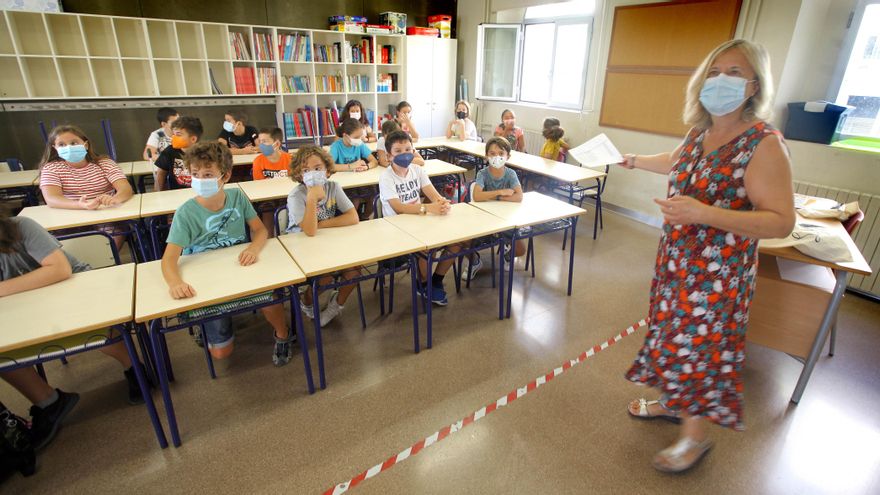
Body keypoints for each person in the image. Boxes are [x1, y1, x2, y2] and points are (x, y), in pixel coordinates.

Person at [621, 39, 795, 473]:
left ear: (754, 85)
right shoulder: (701, 132)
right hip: (678, 263)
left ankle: (694, 440)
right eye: (715, 70)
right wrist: (635, 160)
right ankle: (674, 402)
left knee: (700, 347)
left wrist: (704, 212)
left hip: (718, 276)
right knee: (671, 334)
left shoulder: (764, 142)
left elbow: (780, 221)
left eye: (735, 72)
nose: (722, 80)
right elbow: (676, 162)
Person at [0, 213, 150, 450]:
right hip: (21, 306)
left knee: (95, 322)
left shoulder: (20, 226)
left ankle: (134, 367)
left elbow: (60, 269)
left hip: (77, 286)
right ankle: (49, 402)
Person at [161, 142, 294, 366]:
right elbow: (169, 258)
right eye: (195, 174)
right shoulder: (186, 213)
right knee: (221, 354)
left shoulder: (237, 198)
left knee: (270, 297)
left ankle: (283, 335)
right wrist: (174, 283)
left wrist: (253, 248)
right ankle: (211, 323)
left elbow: (260, 230)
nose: (201, 180)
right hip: (207, 275)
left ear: (225, 176)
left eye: (208, 174)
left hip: (240, 266)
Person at [379, 131, 461, 305]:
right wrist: (429, 208)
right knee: (425, 248)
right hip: (396, 228)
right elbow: (399, 208)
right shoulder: (386, 177)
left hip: (420, 220)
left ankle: (436, 280)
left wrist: (442, 202)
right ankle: (423, 284)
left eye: (408, 149)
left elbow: (433, 194)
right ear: (388, 155)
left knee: (457, 242)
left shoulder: (417, 169)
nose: (404, 154)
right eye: (398, 151)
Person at [286, 145, 361, 325]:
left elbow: (353, 217)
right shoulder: (297, 196)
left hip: (328, 242)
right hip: (302, 247)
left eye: (317, 168)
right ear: (299, 175)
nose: (312, 173)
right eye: (306, 170)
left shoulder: (333, 187)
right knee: (325, 277)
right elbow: (309, 232)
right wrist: (312, 197)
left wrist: (322, 224)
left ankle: (335, 306)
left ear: (327, 170)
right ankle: (307, 300)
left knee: (354, 271)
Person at [38, 125, 135, 250]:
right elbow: (51, 198)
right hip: (70, 217)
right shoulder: (51, 168)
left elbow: (125, 189)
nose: (68, 147)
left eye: (73, 142)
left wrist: (115, 199)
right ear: (55, 149)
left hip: (106, 214)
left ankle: (107, 264)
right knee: (71, 248)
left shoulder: (104, 163)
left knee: (110, 243)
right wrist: (81, 205)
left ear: (85, 145)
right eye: (61, 145)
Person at [462, 137, 528, 280]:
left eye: (500, 153)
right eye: (492, 153)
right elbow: (477, 195)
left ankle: (506, 254)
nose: (496, 157)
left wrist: (495, 198)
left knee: (520, 250)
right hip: (484, 219)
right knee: (464, 241)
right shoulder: (483, 174)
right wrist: (500, 192)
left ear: (507, 156)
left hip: (506, 220)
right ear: (486, 156)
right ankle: (475, 262)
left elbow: (519, 197)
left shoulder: (510, 174)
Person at [329, 118, 379, 218]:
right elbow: (330, 166)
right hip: (344, 183)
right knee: (354, 201)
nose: (359, 140)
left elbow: (374, 161)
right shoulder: (336, 146)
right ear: (345, 135)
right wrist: (351, 166)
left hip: (359, 179)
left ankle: (364, 218)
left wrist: (367, 167)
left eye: (360, 136)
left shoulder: (360, 144)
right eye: (356, 137)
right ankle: (352, 219)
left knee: (374, 196)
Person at [154, 116, 203, 191]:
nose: (174, 138)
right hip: (176, 195)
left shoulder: (205, 153)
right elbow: (160, 174)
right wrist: (157, 194)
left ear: (193, 139)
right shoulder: (169, 151)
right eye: (173, 134)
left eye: (178, 135)